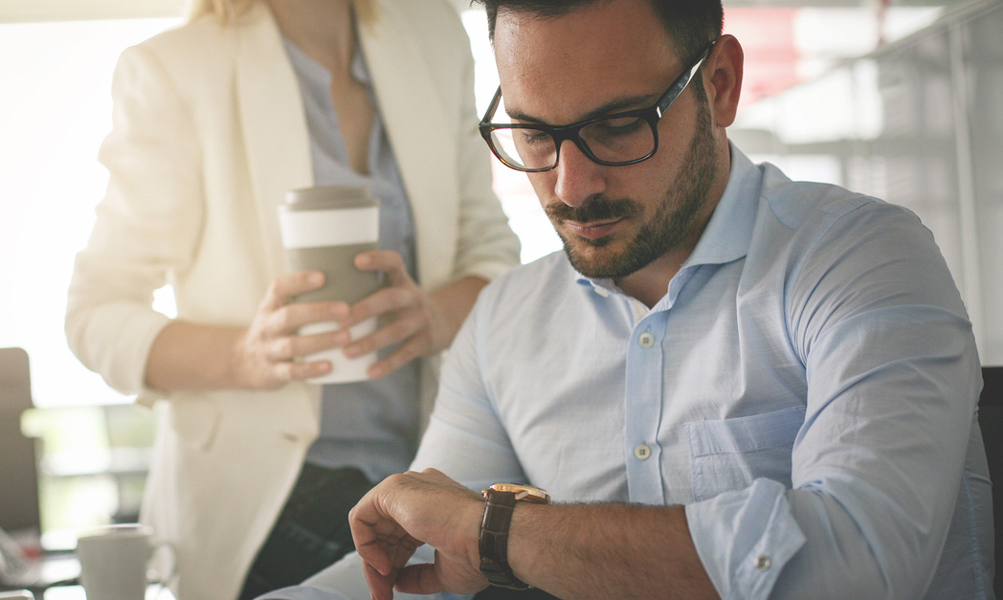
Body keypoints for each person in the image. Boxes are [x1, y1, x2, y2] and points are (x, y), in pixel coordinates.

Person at [262, 0, 993, 599]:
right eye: (534, 134)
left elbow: (858, 563)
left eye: (617, 126)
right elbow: (413, 570)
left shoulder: (862, 259)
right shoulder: (505, 323)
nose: (571, 187)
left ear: (721, 86)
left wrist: (495, 532)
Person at [63, 0, 521, 598]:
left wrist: (434, 316)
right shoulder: (175, 70)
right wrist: (244, 357)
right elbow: (94, 312)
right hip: (266, 503)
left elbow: (492, 255)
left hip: (427, 473)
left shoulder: (433, 34)